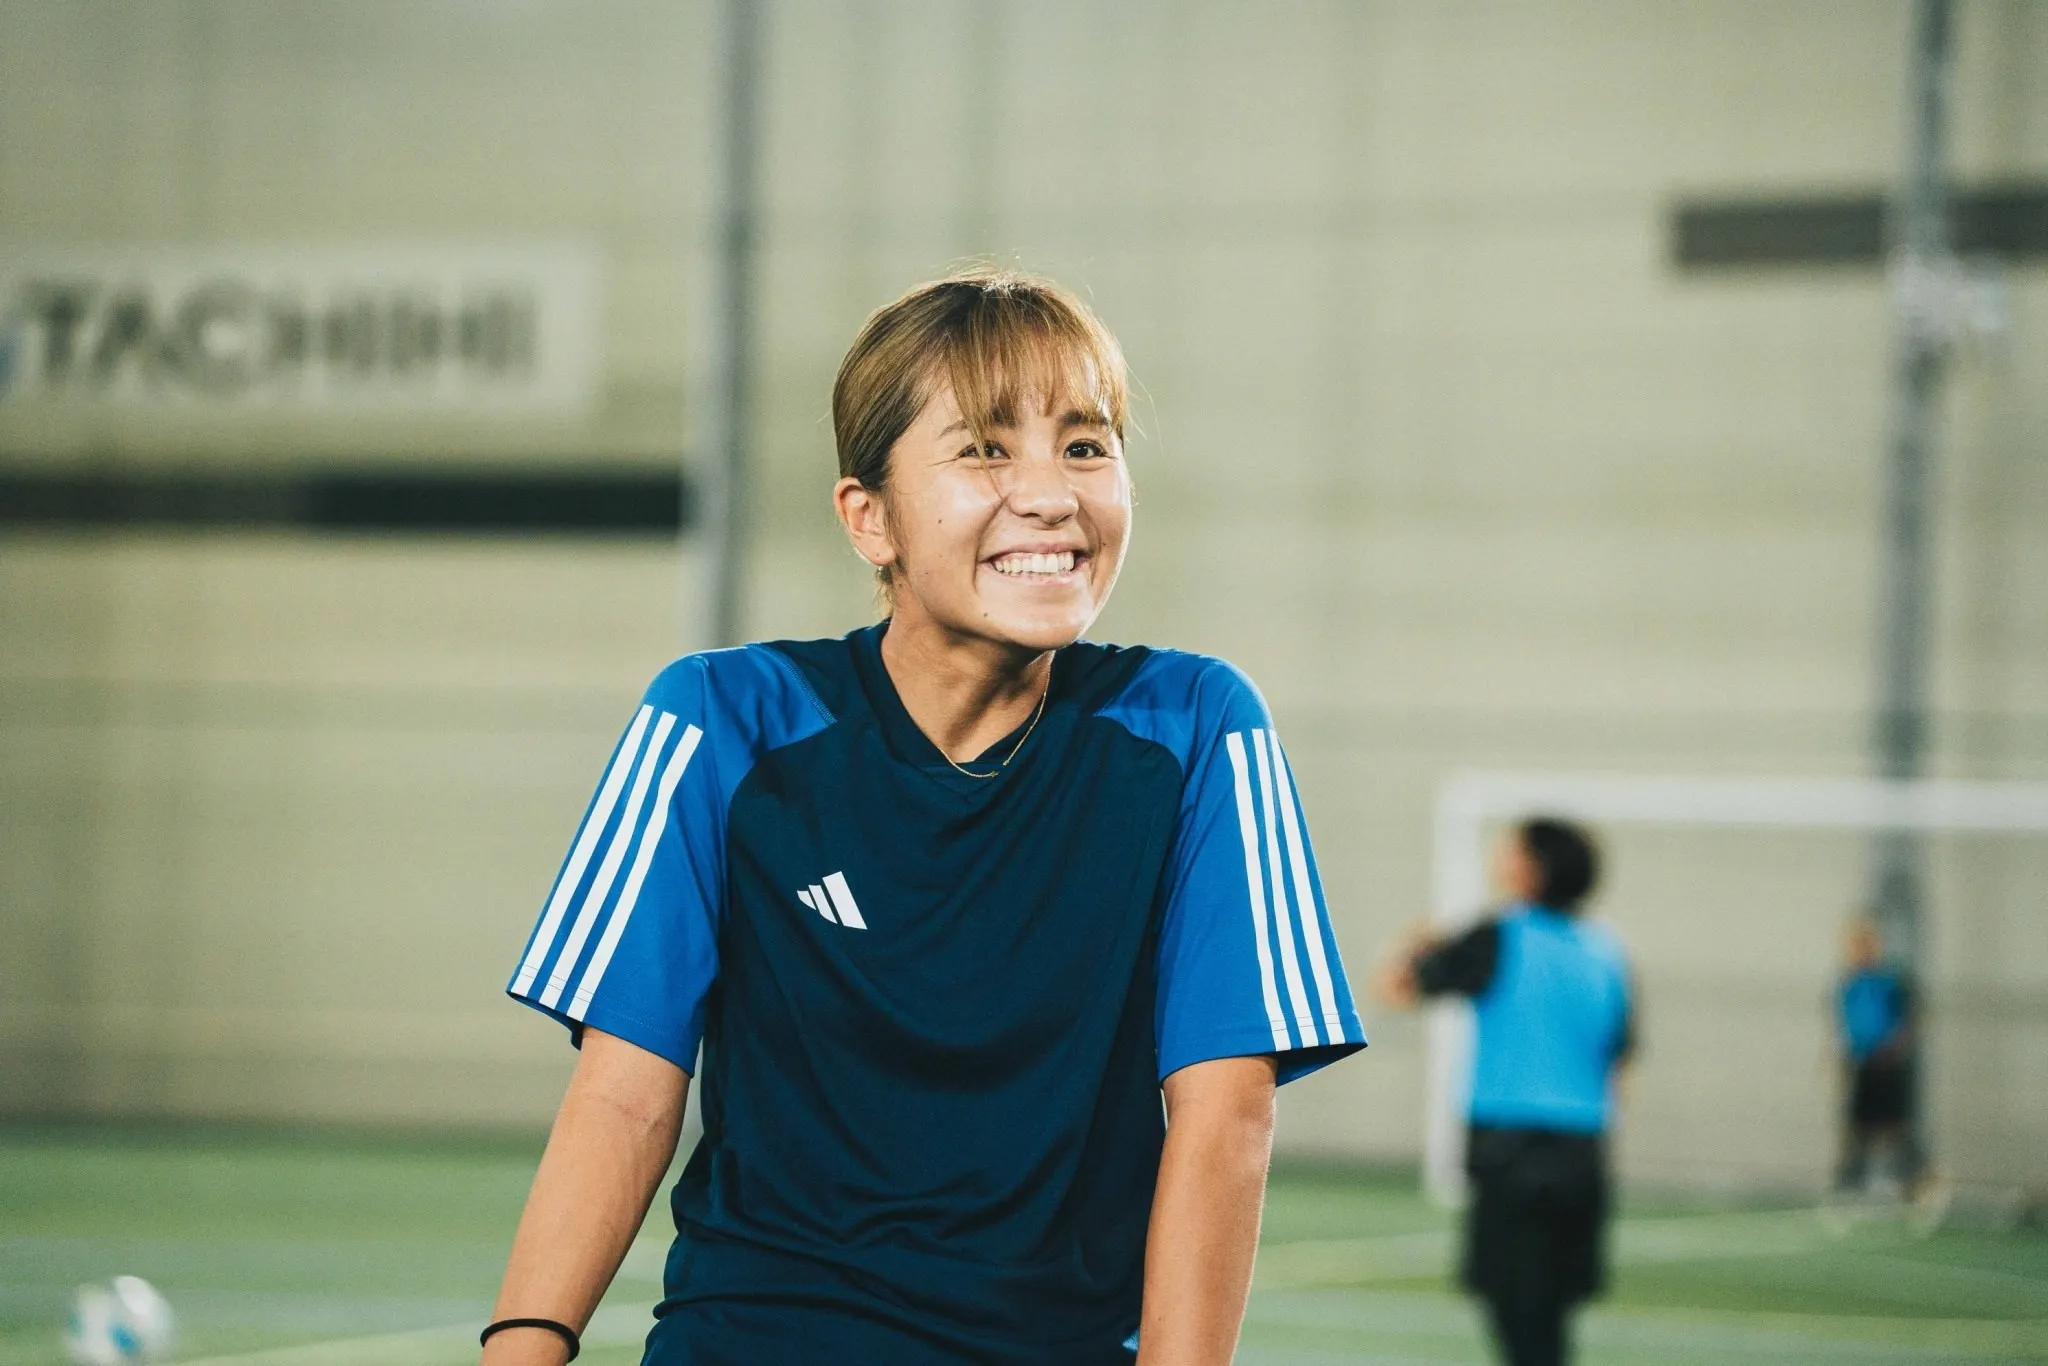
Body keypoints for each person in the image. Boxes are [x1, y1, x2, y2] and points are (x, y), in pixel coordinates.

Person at [481, 268, 1367, 1366]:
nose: (1050, 495)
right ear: (870, 519)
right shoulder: (722, 722)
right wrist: (523, 1347)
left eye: (1084, 446)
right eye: (986, 449)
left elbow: (1225, 1116)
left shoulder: (1191, 729)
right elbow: (623, 1097)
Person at [1372, 817, 1632, 1366]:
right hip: (1583, 1152)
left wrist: (1418, 942)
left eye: (1509, 850)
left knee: (1514, 1310)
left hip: (1511, 1150)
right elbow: (1620, 1061)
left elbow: (1395, 988)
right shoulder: (1606, 950)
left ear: (1532, 868)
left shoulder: (1500, 936)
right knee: (1551, 1315)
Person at [1833, 918, 1924, 1197]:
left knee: (1894, 1124)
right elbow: (1845, 1023)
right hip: (1860, 1062)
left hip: (1886, 1063)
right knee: (1857, 1125)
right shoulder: (1849, 984)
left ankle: (1911, 1178)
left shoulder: (1890, 981)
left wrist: (1894, 1047)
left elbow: (1906, 1018)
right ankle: (1851, 1181)